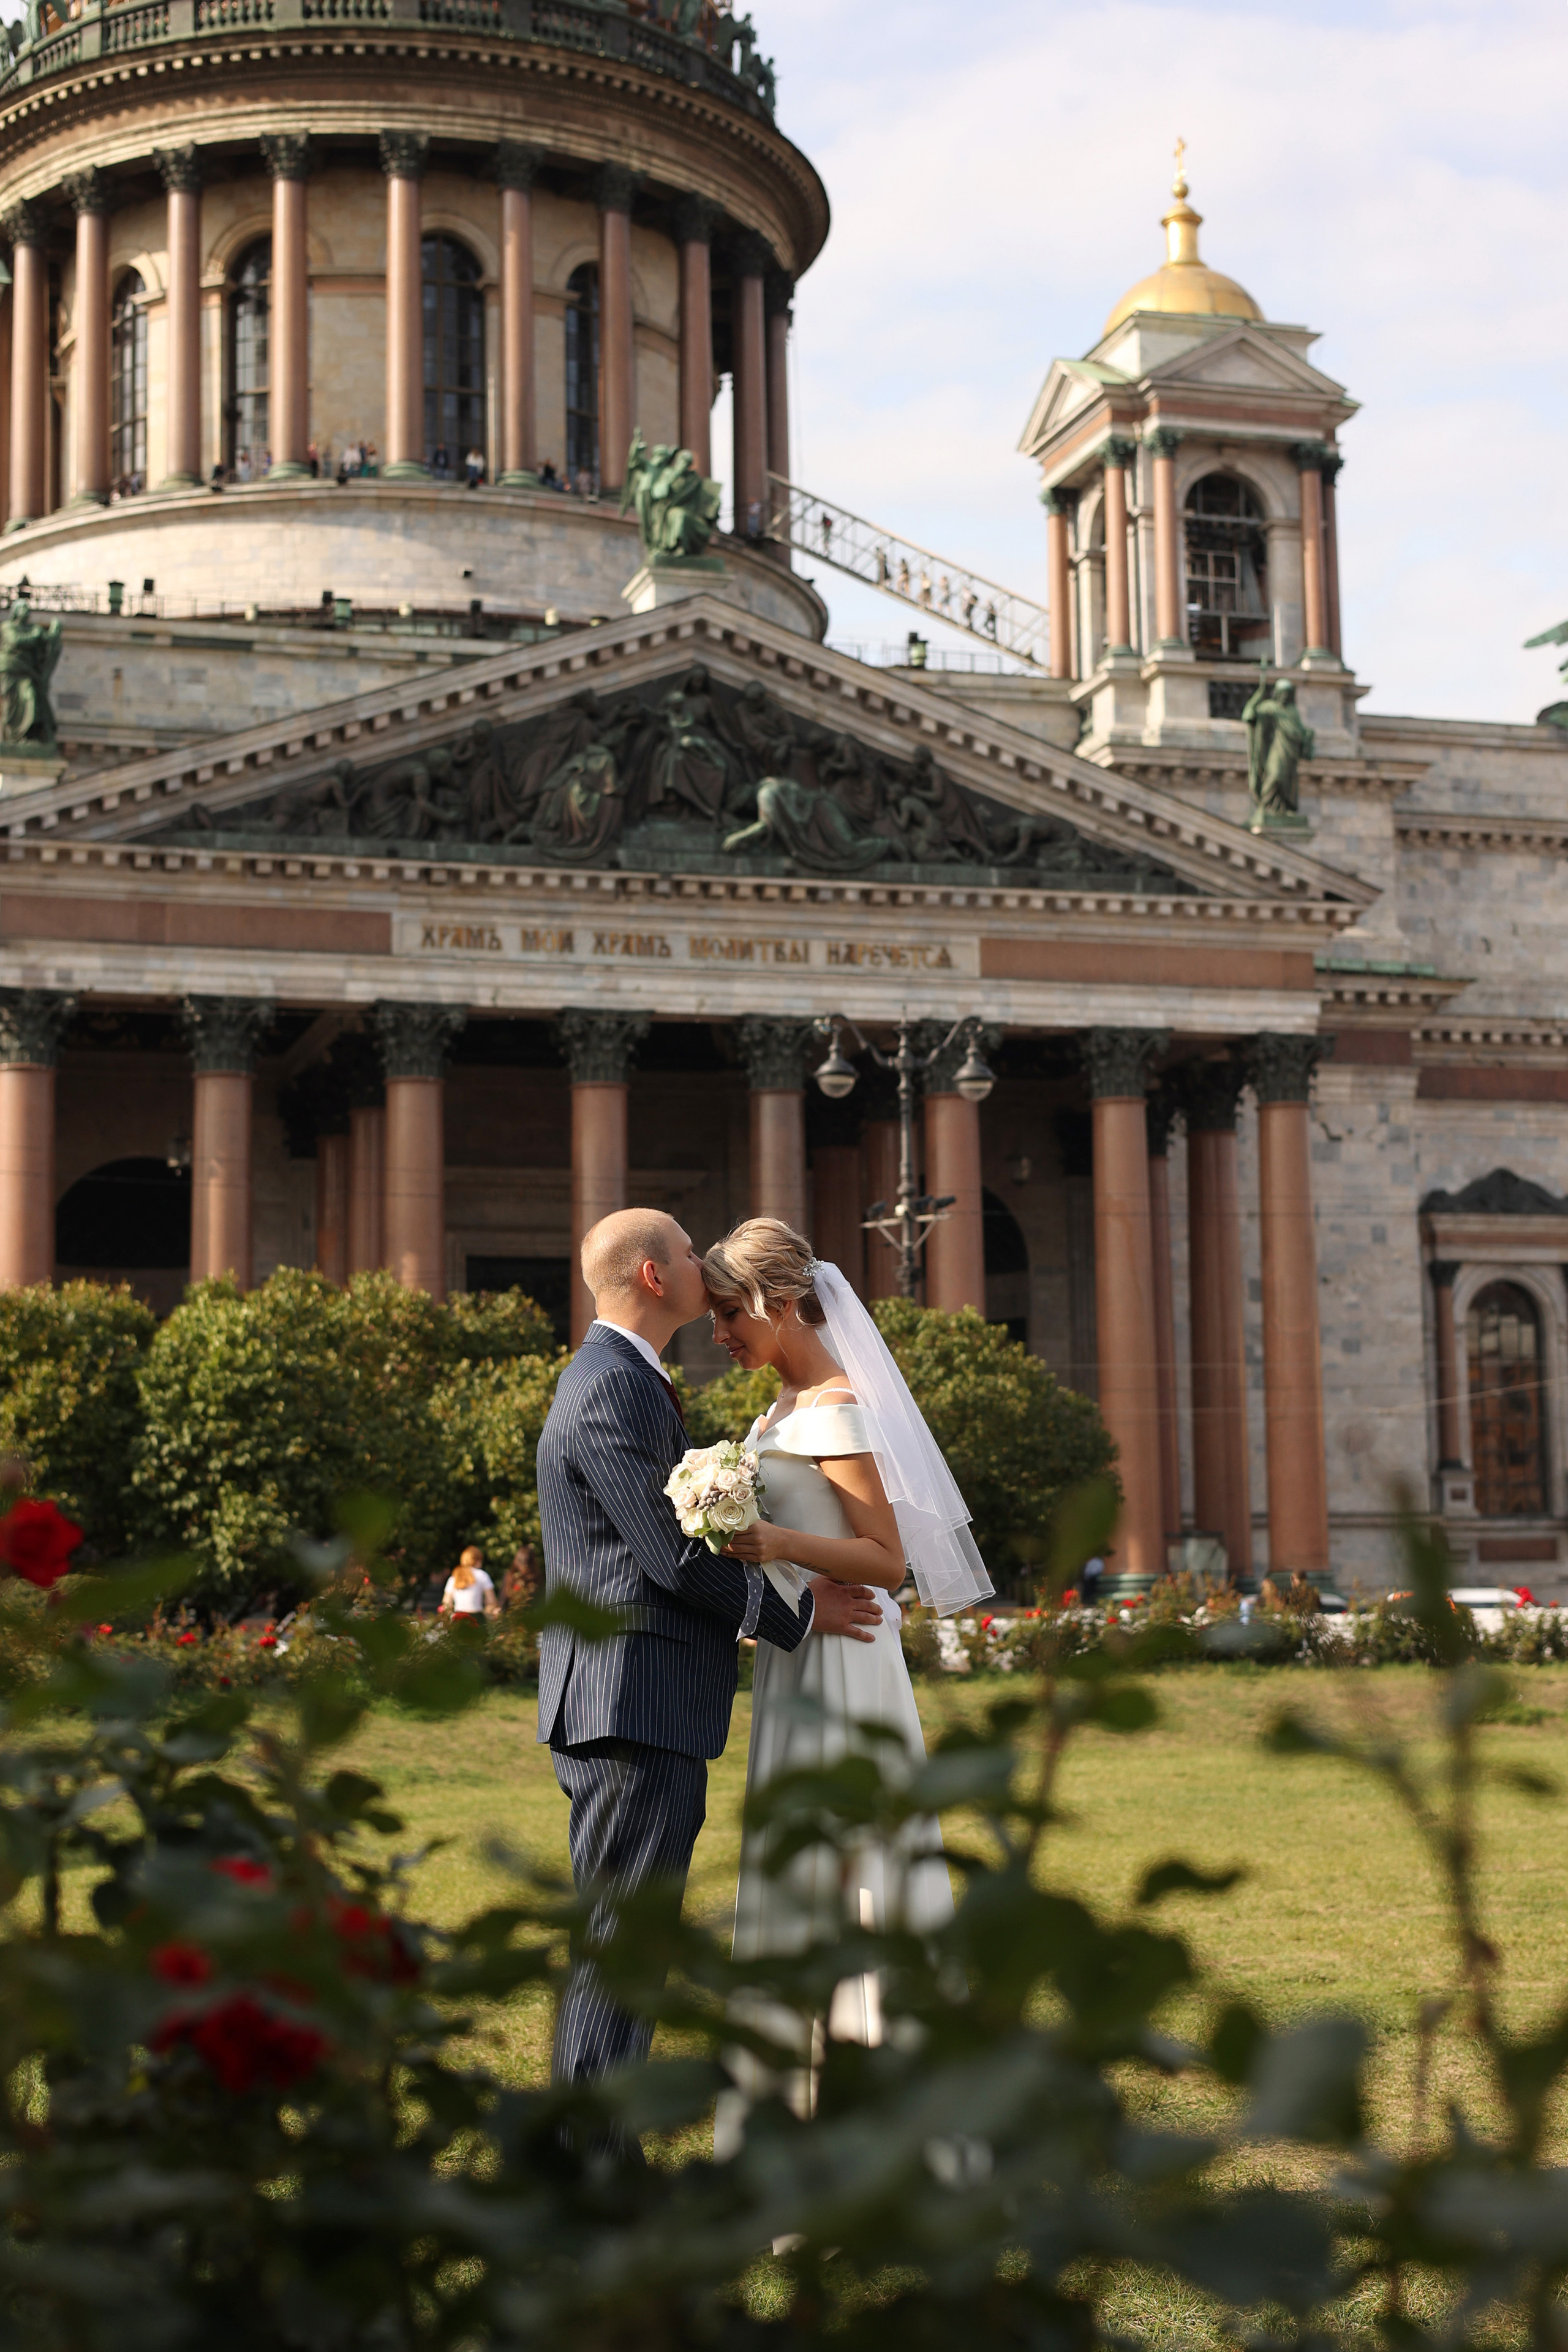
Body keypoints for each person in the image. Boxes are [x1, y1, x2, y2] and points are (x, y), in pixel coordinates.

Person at [534, 1207, 883, 2107]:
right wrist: (796, 1620)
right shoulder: (615, 1383)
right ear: (656, 1277)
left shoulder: (624, 1376)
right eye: (689, 1254)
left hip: (631, 1701)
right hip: (632, 1702)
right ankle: (594, 2164)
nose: (702, 1265)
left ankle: (597, 2153)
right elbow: (667, 1556)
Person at [702, 1218, 993, 2139]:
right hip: (798, 1657)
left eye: (725, 1315)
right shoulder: (778, 1412)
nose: (718, 1335)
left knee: (850, 1864)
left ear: (778, 1304)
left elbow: (886, 1559)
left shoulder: (833, 1405)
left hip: (845, 1660)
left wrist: (777, 1542)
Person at [441, 1544, 499, 1622]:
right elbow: (492, 1601)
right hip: (476, 1617)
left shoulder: (454, 1577)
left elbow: (446, 1604)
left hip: (458, 1617)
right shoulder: (482, 1575)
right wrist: (487, 1614)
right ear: (478, 1561)